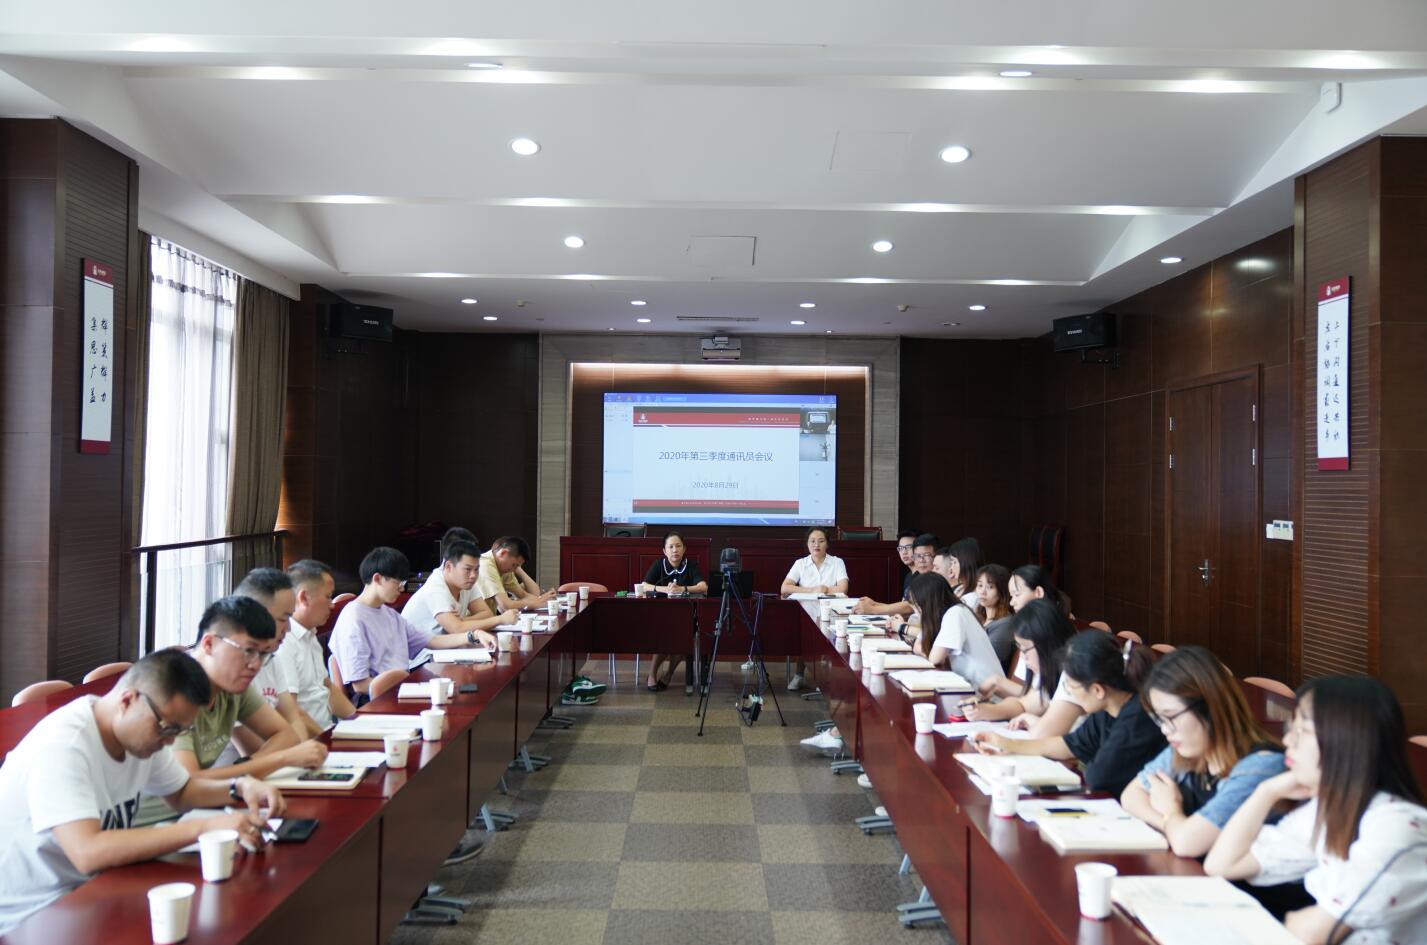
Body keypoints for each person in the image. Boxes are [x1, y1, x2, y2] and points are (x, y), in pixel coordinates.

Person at [0, 650, 285, 936]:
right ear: (127, 700)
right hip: (28, 915)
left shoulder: (142, 734)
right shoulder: (65, 747)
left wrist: (239, 786)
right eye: (167, 729)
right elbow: (87, 851)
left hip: (90, 891)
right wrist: (204, 827)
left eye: (178, 732)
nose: (170, 742)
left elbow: (183, 792)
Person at [1204, 676, 1427, 944]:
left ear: (1345, 740)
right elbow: (1221, 864)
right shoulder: (1333, 810)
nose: (1287, 740)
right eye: (1291, 728)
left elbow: (1313, 933)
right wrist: (1266, 792)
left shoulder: (1396, 827)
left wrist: (1299, 922)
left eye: (1303, 731)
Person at [1120, 646, 1285, 858]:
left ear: (1209, 707)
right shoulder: (1186, 750)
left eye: (1170, 717)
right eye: (1159, 719)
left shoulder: (1261, 766)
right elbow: (1131, 795)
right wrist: (1172, 825)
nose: (1164, 729)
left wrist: (1172, 811)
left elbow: (1186, 844)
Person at [971, 632, 1165, 795]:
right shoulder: (1108, 708)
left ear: (1097, 690)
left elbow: (1098, 778)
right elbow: (1068, 745)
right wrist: (1006, 744)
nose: (1069, 692)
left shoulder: (1137, 718)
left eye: (1071, 686)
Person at [172, 595, 328, 781]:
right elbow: (190, 784)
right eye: (248, 651)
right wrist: (281, 759)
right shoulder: (174, 690)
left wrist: (250, 768)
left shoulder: (233, 686)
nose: (255, 665)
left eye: (263, 654)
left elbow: (287, 735)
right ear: (209, 644)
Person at [329, 546, 503, 696]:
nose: (402, 588)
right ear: (377, 579)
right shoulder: (353, 618)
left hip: (400, 689)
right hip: (375, 699)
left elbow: (432, 641)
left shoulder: (389, 614)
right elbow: (360, 686)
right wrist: (408, 689)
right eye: (399, 582)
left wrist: (474, 635)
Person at [964, 598, 1082, 737]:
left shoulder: (1074, 676)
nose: (1022, 656)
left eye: (1025, 649)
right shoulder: (1048, 673)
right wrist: (985, 710)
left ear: (1046, 643)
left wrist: (1030, 720)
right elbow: (1023, 705)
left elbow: (1045, 732)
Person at [233, 568, 313, 742]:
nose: (288, 629)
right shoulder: (230, 669)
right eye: (283, 619)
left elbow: (293, 718)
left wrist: (300, 749)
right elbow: (254, 747)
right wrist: (298, 751)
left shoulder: (270, 659)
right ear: (257, 615)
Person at [276, 559, 354, 735]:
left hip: (326, 731)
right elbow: (290, 711)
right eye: (328, 596)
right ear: (303, 597)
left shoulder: (310, 635)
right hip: (308, 740)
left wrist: (358, 721)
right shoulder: (283, 643)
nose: (332, 604)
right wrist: (326, 740)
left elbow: (327, 687)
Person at [402, 539, 514, 650]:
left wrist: (461, 621)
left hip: (447, 648)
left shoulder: (466, 582)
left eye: (476, 569)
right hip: (421, 655)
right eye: (467, 569)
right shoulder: (435, 587)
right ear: (448, 567)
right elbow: (457, 629)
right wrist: (500, 619)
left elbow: (486, 614)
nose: (473, 575)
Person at [782, 525, 849, 692]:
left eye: (821, 541)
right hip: (806, 612)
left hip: (832, 612)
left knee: (829, 644)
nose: (816, 545)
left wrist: (825, 589)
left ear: (827, 544)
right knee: (804, 640)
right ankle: (799, 675)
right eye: (812, 541)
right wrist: (812, 590)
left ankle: (824, 679)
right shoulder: (800, 564)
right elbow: (785, 588)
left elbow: (843, 588)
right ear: (807, 544)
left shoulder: (837, 562)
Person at [907, 572, 1001, 690]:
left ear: (928, 603)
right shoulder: (946, 614)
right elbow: (918, 646)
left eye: (918, 606)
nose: (917, 612)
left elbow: (935, 659)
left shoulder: (955, 613)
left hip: (988, 693)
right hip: (969, 687)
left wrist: (928, 651)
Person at [640, 531, 707, 691]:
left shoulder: (691, 566)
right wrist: (666, 589)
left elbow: (703, 587)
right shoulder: (659, 565)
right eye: (670, 547)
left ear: (684, 549)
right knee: (666, 634)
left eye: (678, 546)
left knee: (683, 636)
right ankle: (652, 674)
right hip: (661, 616)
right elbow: (644, 585)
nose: (675, 550)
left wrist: (682, 589)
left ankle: (669, 674)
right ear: (664, 551)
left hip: (686, 617)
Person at [854, 532, 937, 616]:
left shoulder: (930, 579)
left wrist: (873, 609)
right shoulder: (910, 576)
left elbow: (910, 607)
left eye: (908, 547)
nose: (904, 552)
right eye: (901, 548)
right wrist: (874, 604)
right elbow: (905, 608)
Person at [476, 536, 554, 614]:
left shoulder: (503, 568)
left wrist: (542, 599)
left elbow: (524, 595)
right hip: (476, 620)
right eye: (514, 565)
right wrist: (539, 602)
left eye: (517, 566)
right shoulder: (485, 565)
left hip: (488, 619)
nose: (514, 570)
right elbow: (506, 606)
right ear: (503, 553)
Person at [973, 564, 1016, 671]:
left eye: (990, 587)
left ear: (1002, 591)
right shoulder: (978, 616)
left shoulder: (1005, 624)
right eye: (980, 585)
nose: (982, 592)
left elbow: (986, 661)